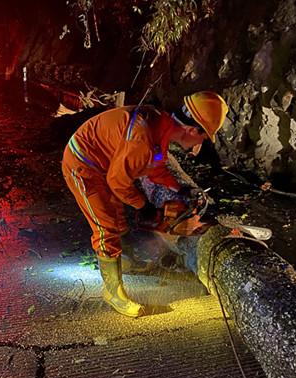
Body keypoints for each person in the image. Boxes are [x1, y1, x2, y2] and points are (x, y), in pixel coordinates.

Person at [61, 91, 228, 318]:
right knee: (106, 227)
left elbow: (155, 167)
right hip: (83, 165)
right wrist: (144, 206)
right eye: (204, 137)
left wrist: (181, 189)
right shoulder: (142, 139)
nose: (201, 144)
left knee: (118, 218)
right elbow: (118, 182)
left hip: (106, 162)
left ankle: (123, 262)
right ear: (192, 130)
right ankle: (113, 292)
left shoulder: (161, 124)